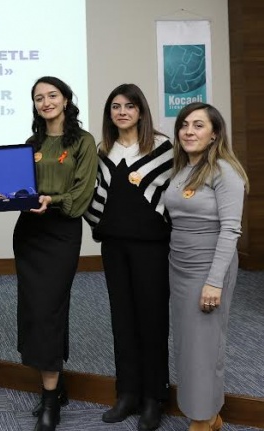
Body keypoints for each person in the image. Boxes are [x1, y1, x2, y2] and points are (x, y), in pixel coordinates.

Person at [84, 84, 173, 430]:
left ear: (141, 111)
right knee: (122, 320)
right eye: (116, 106)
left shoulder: (163, 148)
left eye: (130, 106)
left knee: (152, 321)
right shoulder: (102, 152)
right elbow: (94, 199)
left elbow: (174, 196)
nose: (122, 112)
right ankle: (128, 393)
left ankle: (154, 397)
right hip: (114, 248)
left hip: (152, 248)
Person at [13, 76, 97, 431]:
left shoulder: (83, 141)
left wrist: (52, 200)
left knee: (49, 307)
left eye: (52, 95)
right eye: (38, 98)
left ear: (65, 100)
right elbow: (19, 187)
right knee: (36, 309)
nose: (45, 102)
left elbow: (80, 198)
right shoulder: (31, 142)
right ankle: (55, 385)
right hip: (29, 234)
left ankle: (49, 400)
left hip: (61, 233)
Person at [164, 102, 248, 431]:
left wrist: (213, 282)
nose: (189, 131)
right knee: (187, 345)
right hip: (180, 266)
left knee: (205, 348)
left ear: (214, 134)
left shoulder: (225, 171)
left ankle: (203, 418)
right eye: (184, 125)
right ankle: (207, 416)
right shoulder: (183, 168)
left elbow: (230, 230)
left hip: (209, 268)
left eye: (199, 125)